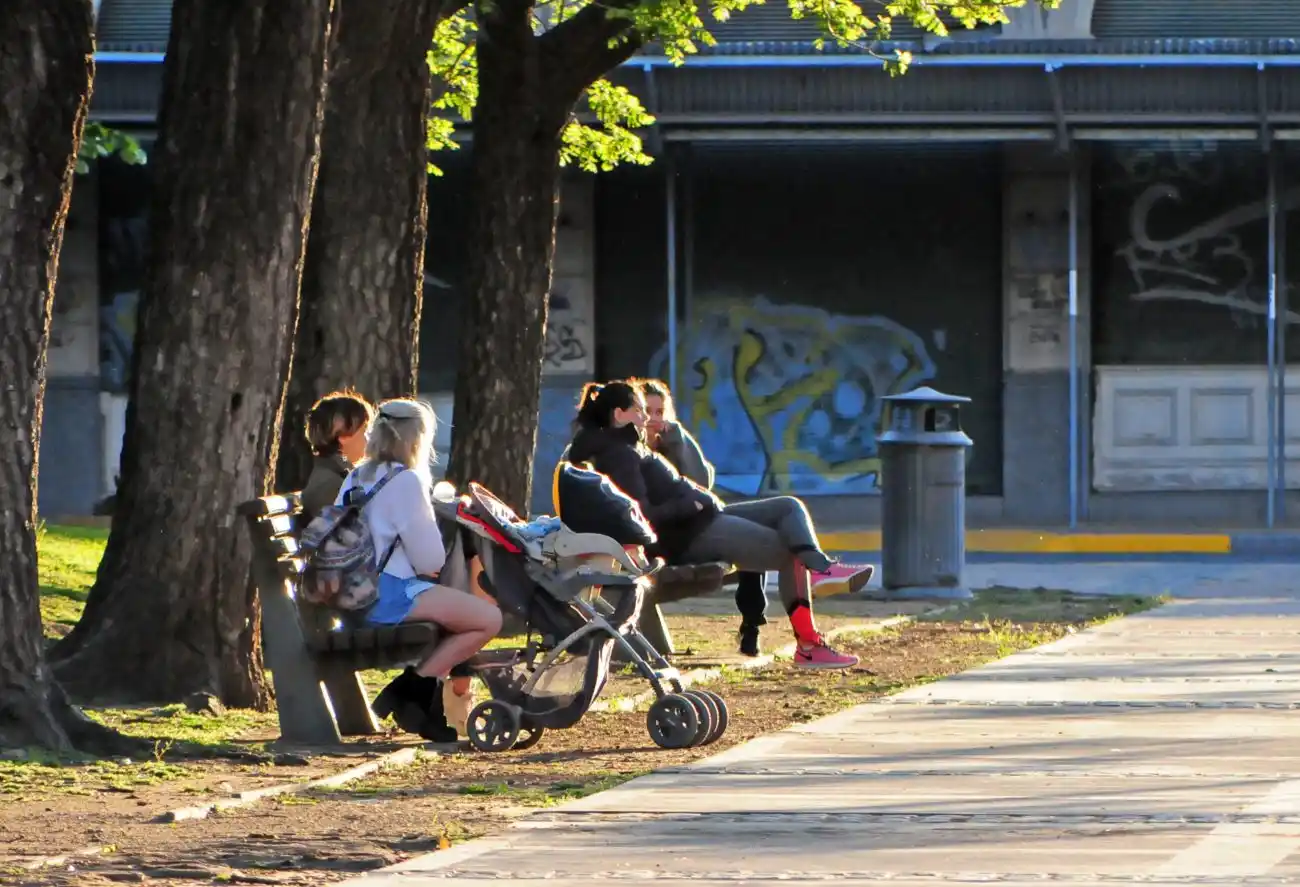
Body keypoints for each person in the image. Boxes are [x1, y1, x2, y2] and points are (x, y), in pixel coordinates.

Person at [566, 381, 866, 669]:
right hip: (688, 535)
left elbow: (695, 477)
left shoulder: (627, 446)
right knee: (789, 551)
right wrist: (690, 504)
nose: (646, 418)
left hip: (703, 519)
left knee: (788, 506)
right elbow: (641, 515)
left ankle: (821, 569)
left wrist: (693, 488)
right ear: (619, 415)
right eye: (640, 410)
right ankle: (810, 646)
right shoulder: (618, 455)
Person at [336, 399, 501, 736]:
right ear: (416, 440)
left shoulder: (354, 477)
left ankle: (418, 701)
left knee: (453, 616)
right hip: (386, 594)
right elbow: (431, 561)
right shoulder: (406, 481)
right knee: (487, 619)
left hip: (348, 594)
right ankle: (412, 691)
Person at [636, 378, 768, 656]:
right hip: (668, 543)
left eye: (660, 413)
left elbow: (702, 480)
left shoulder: (671, 444)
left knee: (753, 536)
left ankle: (752, 624)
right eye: (648, 411)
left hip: (693, 529)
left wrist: (678, 440)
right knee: (745, 539)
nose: (653, 419)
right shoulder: (631, 452)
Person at [300, 390, 374, 522]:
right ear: (343, 436)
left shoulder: (338, 474)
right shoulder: (331, 485)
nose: (368, 439)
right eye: (365, 431)